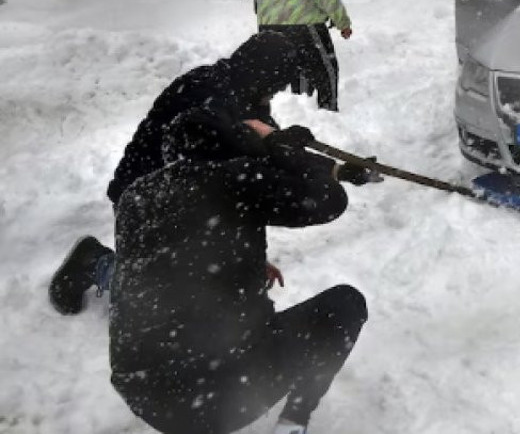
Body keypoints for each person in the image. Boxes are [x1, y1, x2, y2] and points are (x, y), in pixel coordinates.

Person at [110, 108, 369, 434]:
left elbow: (157, 257)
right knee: (345, 304)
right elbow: (330, 200)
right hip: (224, 395)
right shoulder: (235, 178)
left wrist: (241, 258)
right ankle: (293, 423)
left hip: (143, 391)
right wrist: (286, 153)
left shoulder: (136, 196)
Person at [48, 32, 303, 315]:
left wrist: (332, 168)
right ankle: (95, 262)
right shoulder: (207, 94)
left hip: (184, 199)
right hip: (143, 199)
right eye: (274, 87)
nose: (273, 95)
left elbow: (264, 159)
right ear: (263, 76)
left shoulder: (244, 94)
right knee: (173, 302)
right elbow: (219, 180)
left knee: (215, 285)